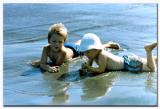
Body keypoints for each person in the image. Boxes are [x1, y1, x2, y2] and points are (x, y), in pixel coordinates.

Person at [32, 23, 121, 73]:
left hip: (74, 51)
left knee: (89, 49)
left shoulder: (62, 52)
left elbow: (56, 64)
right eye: (54, 41)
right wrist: (44, 65)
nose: (57, 44)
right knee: (77, 43)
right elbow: (44, 64)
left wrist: (43, 64)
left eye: (60, 42)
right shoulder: (46, 48)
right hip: (68, 46)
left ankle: (108, 44)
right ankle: (79, 42)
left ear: (63, 42)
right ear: (49, 41)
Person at [79, 33, 157, 74]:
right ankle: (156, 58)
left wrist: (88, 68)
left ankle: (148, 50)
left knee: (151, 69)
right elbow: (90, 62)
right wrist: (86, 66)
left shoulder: (102, 55)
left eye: (88, 52)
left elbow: (101, 70)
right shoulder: (94, 53)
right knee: (147, 61)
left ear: (96, 49)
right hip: (127, 59)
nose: (86, 54)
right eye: (85, 52)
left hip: (128, 64)